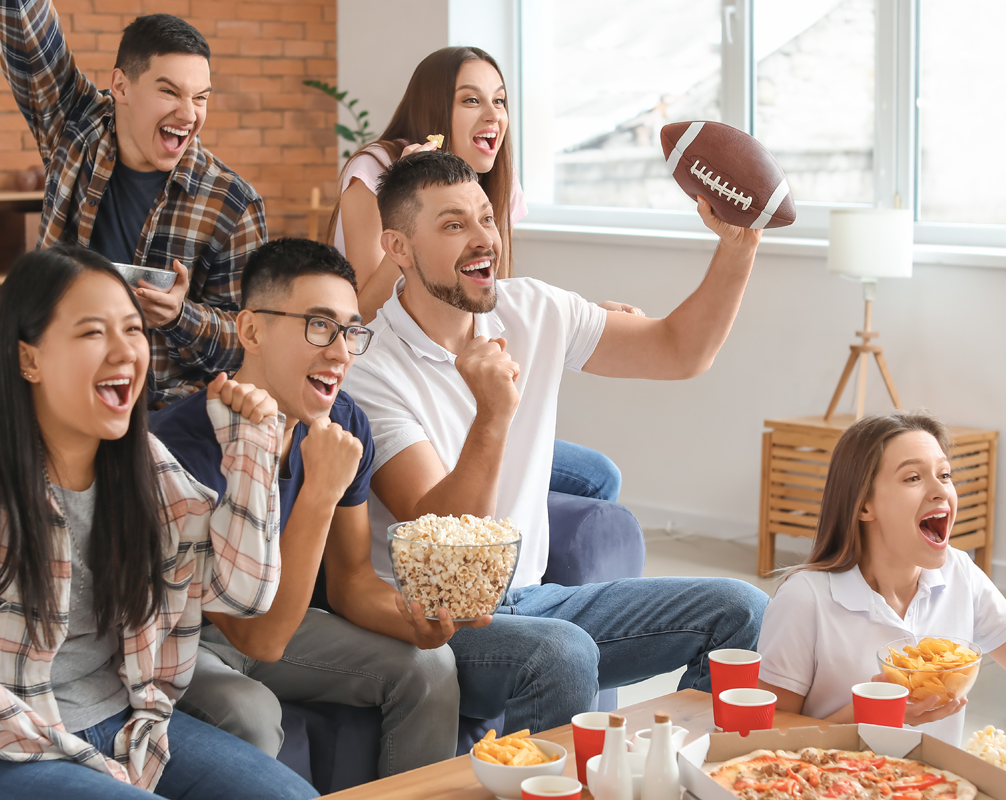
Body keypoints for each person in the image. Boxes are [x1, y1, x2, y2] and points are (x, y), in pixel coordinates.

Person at [0, 244, 316, 800]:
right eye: (93, 333)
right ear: (29, 359)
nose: (124, 351)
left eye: (132, 329)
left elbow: (243, 593)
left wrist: (250, 452)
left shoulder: (144, 466)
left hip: (127, 734)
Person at [341, 151, 770, 734]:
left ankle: (679, 775)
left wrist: (738, 246)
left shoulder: (533, 308)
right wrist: (493, 415)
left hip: (533, 602)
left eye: (486, 219)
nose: (482, 239)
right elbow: (446, 550)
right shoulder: (369, 368)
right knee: (562, 652)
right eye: (452, 225)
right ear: (397, 248)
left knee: (744, 611)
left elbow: (680, 349)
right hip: (437, 622)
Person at [149, 238, 481, 777]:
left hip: (282, 619)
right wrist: (321, 490)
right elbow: (254, 634)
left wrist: (413, 620)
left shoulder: (344, 423)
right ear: (251, 330)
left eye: (351, 330)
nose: (341, 352)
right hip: (186, 635)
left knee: (431, 665)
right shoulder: (183, 446)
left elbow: (351, 580)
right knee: (250, 711)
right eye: (320, 325)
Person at [330, 45, 627, 504]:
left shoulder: (490, 182)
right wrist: (413, 219)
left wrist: (581, 315)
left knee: (599, 476)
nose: (492, 114)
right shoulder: (373, 170)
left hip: (462, 383)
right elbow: (362, 314)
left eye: (500, 100)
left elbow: (486, 295)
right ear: (434, 109)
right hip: (394, 385)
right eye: (471, 100)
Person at [0, 1, 266, 404]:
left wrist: (178, 316)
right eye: (169, 91)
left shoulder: (233, 204)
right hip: (56, 382)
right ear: (121, 87)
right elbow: (30, 40)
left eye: (201, 98)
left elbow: (251, 342)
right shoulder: (76, 127)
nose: (188, 114)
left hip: (159, 410)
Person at [756, 412, 1006, 744]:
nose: (940, 491)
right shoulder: (805, 600)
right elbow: (767, 738)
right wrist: (875, 709)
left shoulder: (960, 573)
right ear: (863, 506)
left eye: (944, 475)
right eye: (913, 478)